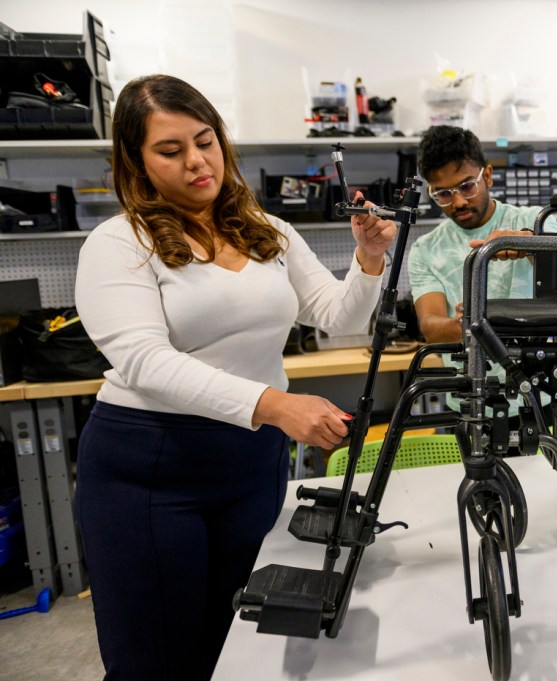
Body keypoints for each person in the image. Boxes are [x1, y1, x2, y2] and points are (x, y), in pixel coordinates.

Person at [73, 74, 396, 681]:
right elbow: (145, 360)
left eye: (206, 141)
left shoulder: (263, 228)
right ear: (136, 162)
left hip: (249, 463)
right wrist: (274, 403)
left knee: (237, 643)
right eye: (171, 151)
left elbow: (334, 314)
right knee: (157, 660)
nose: (197, 161)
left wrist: (368, 260)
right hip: (150, 467)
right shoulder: (118, 243)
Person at [407, 126, 556, 420]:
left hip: (537, 399)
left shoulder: (534, 221)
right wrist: (470, 324)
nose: (459, 202)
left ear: (487, 175)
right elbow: (431, 326)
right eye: (444, 194)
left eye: (466, 187)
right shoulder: (426, 250)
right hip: (467, 402)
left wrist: (525, 242)